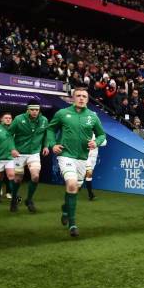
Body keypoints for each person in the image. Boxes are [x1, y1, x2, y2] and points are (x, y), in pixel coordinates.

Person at [47, 88, 106, 237]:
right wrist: (52, 144)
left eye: (84, 96)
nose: (81, 98)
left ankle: (66, 209)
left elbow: (101, 134)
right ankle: (72, 224)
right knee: (72, 184)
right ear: (73, 98)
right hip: (65, 155)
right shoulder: (62, 113)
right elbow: (51, 129)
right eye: (78, 96)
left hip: (82, 158)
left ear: (87, 99)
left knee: (75, 188)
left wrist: (96, 142)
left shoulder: (93, 117)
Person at [9, 100, 49, 213]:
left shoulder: (44, 120)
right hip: (19, 153)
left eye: (37, 110)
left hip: (34, 153)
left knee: (35, 176)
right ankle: (13, 200)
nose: (35, 112)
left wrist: (46, 146)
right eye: (32, 110)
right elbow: (9, 134)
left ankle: (29, 200)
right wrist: (12, 148)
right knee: (17, 179)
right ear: (28, 109)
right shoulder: (18, 119)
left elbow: (46, 134)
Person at [84, 133, 107, 201]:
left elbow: (105, 142)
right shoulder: (84, 131)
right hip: (85, 155)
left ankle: (88, 193)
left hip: (94, 157)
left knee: (89, 175)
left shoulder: (97, 133)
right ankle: (90, 194)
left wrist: (95, 142)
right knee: (89, 173)